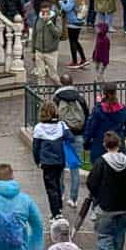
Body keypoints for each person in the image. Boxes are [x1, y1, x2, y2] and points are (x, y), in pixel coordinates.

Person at [87, 131, 126, 250]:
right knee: (119, 237)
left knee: (104, 236)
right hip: (125, 206)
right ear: (119, 144)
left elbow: (92, 183)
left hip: (106, 206)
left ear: (105, 145)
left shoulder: (101, 162)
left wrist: (97, 196)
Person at [31, 100, 74, 220]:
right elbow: (71, 138)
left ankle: (56, 213)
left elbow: (36, 147)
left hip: (46, 162)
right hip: (59, 161)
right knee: (57, 184)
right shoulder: (61, 125)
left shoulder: (39, 128)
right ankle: (58, 207)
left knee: (51, 187)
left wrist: (37, 160)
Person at [53, 74, 89, 206]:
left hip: (62, 136)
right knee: (75, 168)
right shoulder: (80, 98)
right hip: (78, 134)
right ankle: (73, 198)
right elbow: (86, 114)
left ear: (61, 83)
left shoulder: (56, 98)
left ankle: (61, 192)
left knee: (60, 166)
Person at [30, 3, 63, 85]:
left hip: (51, 52)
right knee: (40, 75)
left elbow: (58, 34)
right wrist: (33, 51)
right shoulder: (37, 18)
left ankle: (61, 88)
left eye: (47, 11)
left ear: (50, 9)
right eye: (43, 11)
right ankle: (41, 94)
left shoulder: (56, 18)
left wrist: (49, 22)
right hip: (39, 51)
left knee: (53, 75)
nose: (44, 14)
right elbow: (34, 35)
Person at [60, 0, 86, 68]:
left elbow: (67, 8)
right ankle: (83, 58)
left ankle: (74, 61)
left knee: (72, 42)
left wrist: (61, 3)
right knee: (76, 41)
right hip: (79, 21)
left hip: (72, 22)